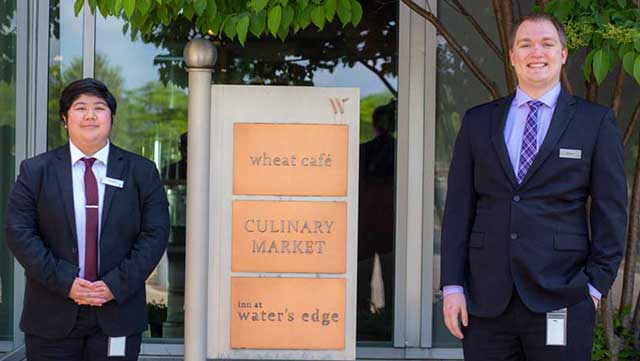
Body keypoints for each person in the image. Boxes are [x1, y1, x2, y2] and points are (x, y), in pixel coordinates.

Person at [440, 13, 627, 361]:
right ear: (511, 55)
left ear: (564, 54)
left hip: (564, 293)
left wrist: (595, 286)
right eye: (525, 44)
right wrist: (452, 285)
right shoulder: (478, 121)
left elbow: (611, 211)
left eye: (546, 43)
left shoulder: (594, 122)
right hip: (486, 300)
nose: (535, 52)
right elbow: (458, 210)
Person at [5, 78, 170, 360]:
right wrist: (65, 282)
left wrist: (114, 285)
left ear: (111, 118)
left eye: (99, 108)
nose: (90, 115)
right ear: (65, 118)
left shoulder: (141, 172)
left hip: (117, 311)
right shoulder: (36, 171)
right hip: (51, 311)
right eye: (80, 108)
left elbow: (155, 234)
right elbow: (19, 232)